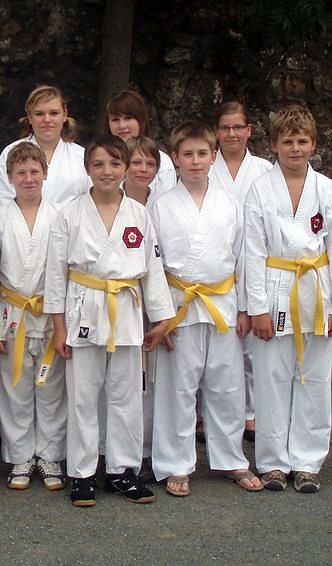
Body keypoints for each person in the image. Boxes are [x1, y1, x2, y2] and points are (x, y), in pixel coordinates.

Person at [45, 135, 174, 507]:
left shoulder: (139, 213)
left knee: (126, 396)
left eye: (115, 164)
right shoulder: (69, 213)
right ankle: (82, 473)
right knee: (83, 398)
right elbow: (55, 274)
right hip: (83, 308)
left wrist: (161, 319)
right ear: (87, 168)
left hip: (126, 310)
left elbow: (152, 268)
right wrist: (59, 327)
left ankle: (122, 470)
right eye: (99, 164)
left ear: (126, 168)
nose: (107, 171)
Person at [150, 120, 262, 497]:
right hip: (178, 306)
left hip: (222, 303)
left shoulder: (229, 203)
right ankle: (175, 463)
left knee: (227, 385)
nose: (195, 161)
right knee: (177, 388)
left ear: (213, 156)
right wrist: (160, 316)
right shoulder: (161, 206)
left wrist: (245, 308)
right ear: (175, 158)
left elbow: (243, 257)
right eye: (188, 154)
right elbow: (153, 264)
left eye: (202, 153)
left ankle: (231, 458)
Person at [244, 105, 332, 494]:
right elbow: (251, 251)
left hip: (317, 289)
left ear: (313, 144)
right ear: (274, 144)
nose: (295, 148)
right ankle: (273, 463)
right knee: (271, 379)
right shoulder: (261, 188)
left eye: (302, 141)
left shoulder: (326, 188)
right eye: (288, 141)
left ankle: (307, 462)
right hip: (274, 285)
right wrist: (258, 309)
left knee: (316, 378)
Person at [0, 142, 66, 491]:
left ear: (45, 173)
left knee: (51, 388)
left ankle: (50, 455)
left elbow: (66, 272)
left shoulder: (60, 215)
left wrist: (62, 323)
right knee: (14, 388)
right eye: (20, 172)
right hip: (12, 314)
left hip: (49, 314)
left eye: (34, 171)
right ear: (9, 177)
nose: (28, 178)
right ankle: (20, 456)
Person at [210, 101, 273, 442]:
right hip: (215, 262)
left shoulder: (264, 170)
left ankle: (251, 413)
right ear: (216, 132)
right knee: (216, 348)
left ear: (249, 130)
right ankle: (207, 414)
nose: (232, 133)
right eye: (225, 128)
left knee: (251, 348)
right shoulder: (206, 166)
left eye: (238, 127)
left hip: (255, 258)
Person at [123, 135, 161, 482]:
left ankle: (146, 450)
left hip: (153, 303)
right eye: (136, 162)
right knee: (118, 383)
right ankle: (110, 451)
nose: (143, 169)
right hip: (117, 302)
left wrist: (163, 315)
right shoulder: (108, 201)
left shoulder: (162, 206)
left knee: (149, 382)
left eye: (150, 163)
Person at [0, 85, 91, 207]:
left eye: (54, 113)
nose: (47, 119)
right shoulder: (10, 153)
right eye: (39, 114)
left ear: (65, 115)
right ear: (29, 117)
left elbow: (91, 201)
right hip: (20, 219)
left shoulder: (82, 156)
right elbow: (3, 202)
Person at [104, 89, 176, 197]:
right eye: (115, 119)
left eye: (128, 118)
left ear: (141, 121)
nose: (122, 125)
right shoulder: (98, 159)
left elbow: (166, 203)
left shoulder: (163, 163)